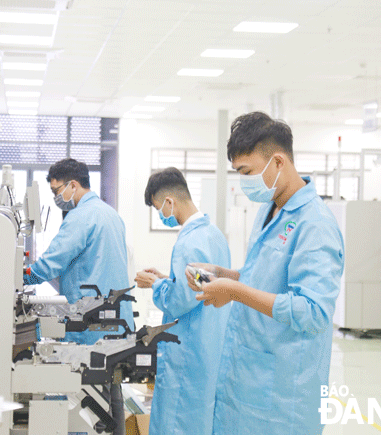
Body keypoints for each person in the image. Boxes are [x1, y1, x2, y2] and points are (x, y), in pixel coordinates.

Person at [186, 112, 344, 435]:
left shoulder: (315, 224)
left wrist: (234, 292)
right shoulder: (269, 209)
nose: (244, 183)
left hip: (283, 400)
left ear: (278, 162)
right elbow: (261, 276)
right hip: (246, 384)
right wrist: (223, 274)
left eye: (247, 172)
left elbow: (313, 311)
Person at [24, 158, 133, 435]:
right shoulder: (110, 214)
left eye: (57, 190)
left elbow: (51, 263)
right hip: (116, 322)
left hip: (92, 326)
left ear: (73, 185)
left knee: (87, 404)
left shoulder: (80, 217)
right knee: (112, 392)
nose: (57, 197)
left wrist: (21, 277)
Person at [134, 167, 231, 435]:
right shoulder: (214, 235)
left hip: (189, 351)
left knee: (178, 424)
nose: (161, 215)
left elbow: (179, 302)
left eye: (158, 208)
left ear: (169, 202)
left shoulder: (189, 242)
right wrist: (169, 278)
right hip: (210, 348)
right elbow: (202, 284)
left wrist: (155, 284)